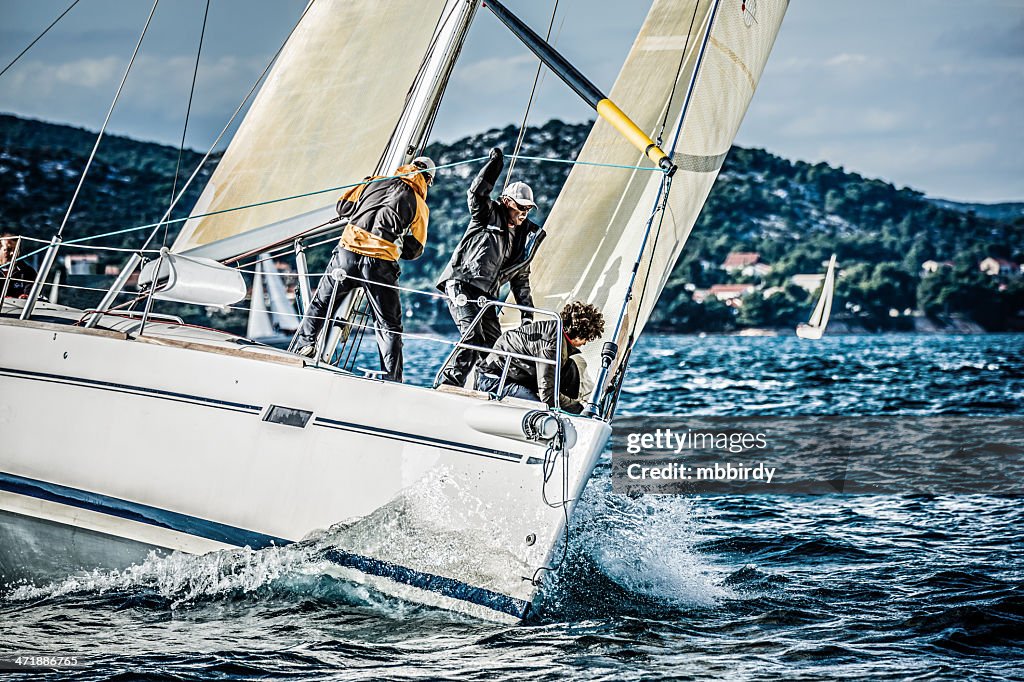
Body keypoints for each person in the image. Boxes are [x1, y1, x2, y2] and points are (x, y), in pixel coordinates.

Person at [292, 157, 434, 382]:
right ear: (428, 180)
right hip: (379, 265)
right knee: (389, 325)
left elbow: (343, 207)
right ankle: (391, 378)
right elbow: (414, 250)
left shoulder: (373, 182)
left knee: (321, 302)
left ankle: (304, 346)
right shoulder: (419, 204)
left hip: (346, 256)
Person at [436, 147, 546, 387]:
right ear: (506, 202)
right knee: (472, 337)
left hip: (487, 296)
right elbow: (476, 193)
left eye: (528, 209)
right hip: (462, 285)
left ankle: (488, 388)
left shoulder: (524, 238)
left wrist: (528, 317)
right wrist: (495, 164)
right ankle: (448, 386)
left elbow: (521, 281)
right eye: (520, 207)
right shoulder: (487, 215)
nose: (524, 213)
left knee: (496, 347)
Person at [474, 301, 605, 413]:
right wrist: (579, 410)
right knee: (542, 408)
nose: (585, 343)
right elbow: (547, 396)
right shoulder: (552, 346)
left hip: (514, 373)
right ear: (578, 335)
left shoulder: (555, 329)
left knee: (571, 367)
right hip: (494, 380)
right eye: (586, 338)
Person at [0, 234, 37, 298]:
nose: (12, 253)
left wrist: (23, 298)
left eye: (16, 250)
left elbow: (30, 296)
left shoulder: (28, 272)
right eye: (8, 249)